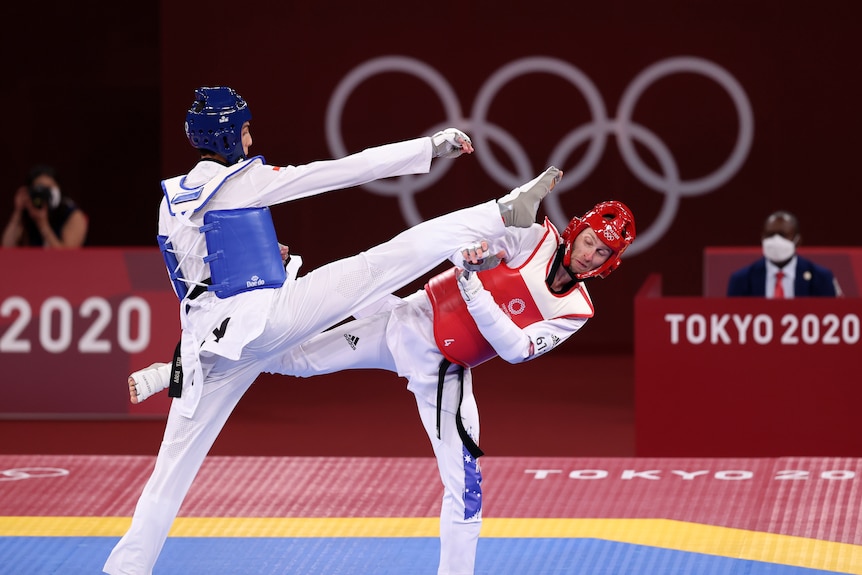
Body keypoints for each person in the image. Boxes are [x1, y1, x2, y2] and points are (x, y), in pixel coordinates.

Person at [103, 84, 560, 575]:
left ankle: (124, 569)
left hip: (208, 347)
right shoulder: (244, 183)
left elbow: (196, 276)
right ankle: (501, 212)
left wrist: (264, 262)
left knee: (168, 474)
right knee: (384, 262)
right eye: (245, 129)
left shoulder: (170, 198)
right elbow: (343, 172)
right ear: (230, 136)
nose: (252, 138)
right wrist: (427, 148)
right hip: (266, 323)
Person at [127, 198, 636, 575]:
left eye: (603, 253)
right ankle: (183, 362)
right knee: (295, 355)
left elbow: (514, 349)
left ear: (610, 264)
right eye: (591, 240)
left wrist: (473, 287)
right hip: (403, 320)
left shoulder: (576, 310)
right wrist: (476, 256)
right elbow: (480, 244)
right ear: (578, 230)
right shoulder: (535, 235)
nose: (591, 254)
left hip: (444, 371)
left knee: (466, 487)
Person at [727, 210, 841, 297]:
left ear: (798, 240)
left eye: (783, 235)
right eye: (770, 235)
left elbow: (832, 315)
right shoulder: (742, 279)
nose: (776, 240)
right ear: (762, 238)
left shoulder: (820, 277)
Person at [1, 164, 89, 248]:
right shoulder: (29, 212)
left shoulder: (72, 214)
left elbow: (66, 256)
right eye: (40, 188)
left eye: (50, 187)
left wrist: (43, 225)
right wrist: (18, 211)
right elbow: (7, 247)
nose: (45, 194)